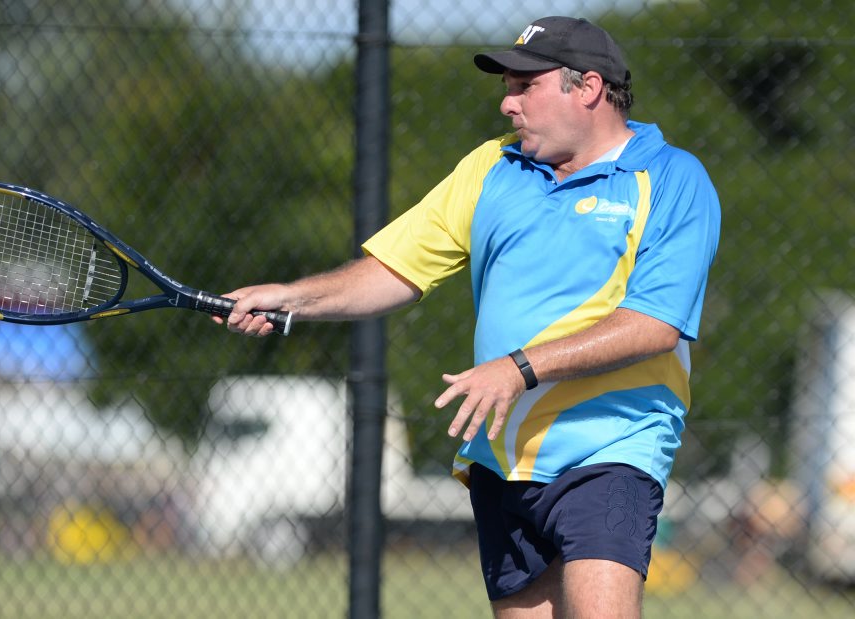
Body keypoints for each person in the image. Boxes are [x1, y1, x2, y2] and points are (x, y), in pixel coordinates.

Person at [216, 15, 720, 619]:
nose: (507, 104)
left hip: (610, 449)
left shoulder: (671, 179)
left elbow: (654, 323)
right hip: (500, 458)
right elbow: (395, 269)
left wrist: (518, 369)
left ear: (586, 88)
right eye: (506, 86)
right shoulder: (491, 168)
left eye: (523, 87)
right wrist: (291, 297)